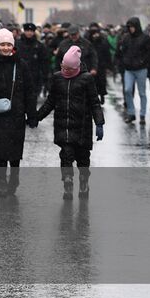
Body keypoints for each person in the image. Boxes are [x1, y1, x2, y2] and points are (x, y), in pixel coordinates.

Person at [32, 45, 105, 199]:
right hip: (63, 127)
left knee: (83, 158)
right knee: (66, 155)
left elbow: (94, 103)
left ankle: (84, 181)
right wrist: (37, 117)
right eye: (63, 67)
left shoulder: (87, 79)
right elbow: (50, 101)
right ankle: (67, 182)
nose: (65, 71)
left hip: (82, 127)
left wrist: (99, 123)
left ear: (77, 67)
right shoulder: (57, 78)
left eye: (69, 69)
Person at [0, 28, 37, 196]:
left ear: (13, 46)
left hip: (16, 115)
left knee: (15, 149)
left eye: (8, 45)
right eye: (2, 44)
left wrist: (31, 114)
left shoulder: (21, 65)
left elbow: (30, 91)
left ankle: (15, 176)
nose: (5, 48)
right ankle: (1, 180)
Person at [116, 16, 150, 125]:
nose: (131, 29)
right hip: (128, 69)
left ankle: (142, 115)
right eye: (129, 27)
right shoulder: (126, 38)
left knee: (142, 92)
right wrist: (122, 61)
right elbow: (120, 51)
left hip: (141, 69)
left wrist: (143, 61)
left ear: (137, 26)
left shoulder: (145, 38)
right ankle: (131, 113)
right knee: (127, 90)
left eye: (132, 27)